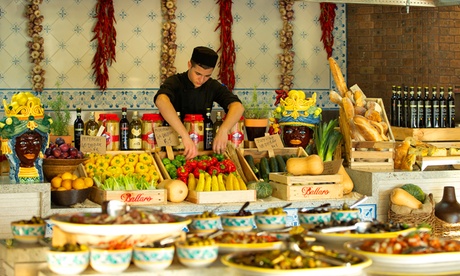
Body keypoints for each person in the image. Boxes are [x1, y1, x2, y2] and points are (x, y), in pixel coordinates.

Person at [154, 46, 244, 159]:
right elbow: (161, 101)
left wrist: (224, 130)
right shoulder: (175, 82)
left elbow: (237, 106)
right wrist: (185, 136)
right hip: (174, 148)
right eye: (198, 74)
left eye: (207, 76)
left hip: (202, 149)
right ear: (189, 65)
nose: (201, 80)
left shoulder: (212, 86)